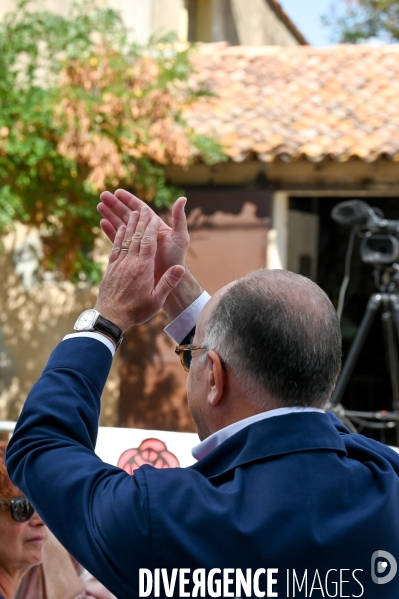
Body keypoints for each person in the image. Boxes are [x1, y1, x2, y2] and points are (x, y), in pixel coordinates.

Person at [6, 190, 399, 598]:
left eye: (191, 356)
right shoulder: (387, 483)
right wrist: (184, 293)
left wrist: (106, 320)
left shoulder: (164, 519)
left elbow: (40, 445)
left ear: (212, 376)